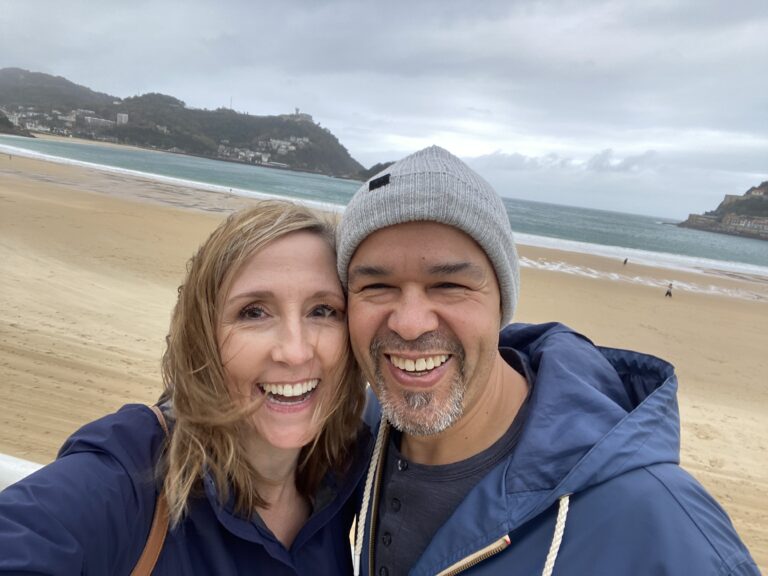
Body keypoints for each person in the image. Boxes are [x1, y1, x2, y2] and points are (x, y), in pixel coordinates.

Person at [337, 146, 758, 575]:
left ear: (502, 303)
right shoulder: (354, 441)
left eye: (448, 284)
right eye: (377, 286)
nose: (409, 324)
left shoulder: (661, 522)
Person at [0, 200, 369, 574]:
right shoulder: (134, 476)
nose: (294, 351)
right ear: (203, 336)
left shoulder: (348, 472)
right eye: (253, 312)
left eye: (322, 311)